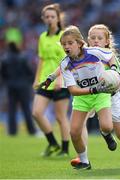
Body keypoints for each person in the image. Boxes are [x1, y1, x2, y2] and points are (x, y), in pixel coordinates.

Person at [41, 24, 120, 169]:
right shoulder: (84, 54)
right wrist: (51, 77)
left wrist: (111, 87)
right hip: (88, 93)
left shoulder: (108, 58)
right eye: (92, 37)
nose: (95, 40)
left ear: (106, 41)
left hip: (110, 96)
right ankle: (83, 158)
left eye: (99, 38)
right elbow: (63, 65)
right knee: (78, 127)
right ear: (86, 40)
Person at [32, 3, 70, 157]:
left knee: (60, 117)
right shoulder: (42, 37)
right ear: (43, 19)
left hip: (61, 81)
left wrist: (60, 78)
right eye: (46, 17)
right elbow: (41, 59)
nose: (49, 19)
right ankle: (53, 144)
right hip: (45, 81)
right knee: (36, 113)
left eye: (52, 17)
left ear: (57, 18)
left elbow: (67, 59)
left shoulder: (64, 36)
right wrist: (36, 79)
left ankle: (65, 150)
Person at [0, 42, 37, 135]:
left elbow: (3, 74)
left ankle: (12, 131)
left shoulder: (5, 59)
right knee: (26, 109)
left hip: (11, 86)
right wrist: (29, 82)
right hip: (23, 87)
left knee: (11, 109)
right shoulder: (23, 57)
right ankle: (31, 130)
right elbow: (30, 72)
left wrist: (7, 83)